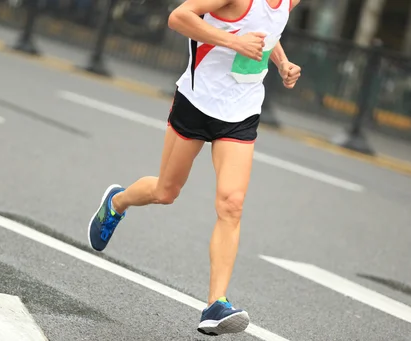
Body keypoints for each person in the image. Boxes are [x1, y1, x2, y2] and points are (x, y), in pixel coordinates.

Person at [87, 0, 301, 335]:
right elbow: (178, 17)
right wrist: (233, 42)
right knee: (165, 191)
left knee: (232, 203)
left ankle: (216, 304)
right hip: (197, 102)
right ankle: (117, 203)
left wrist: (283, 63)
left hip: (241, 112)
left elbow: (267, 32)